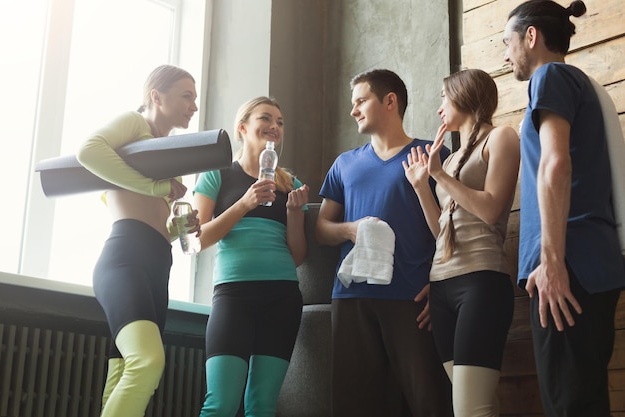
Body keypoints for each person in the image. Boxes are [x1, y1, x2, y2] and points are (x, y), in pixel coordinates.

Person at [502, 1, 625, 415]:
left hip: (566, 267)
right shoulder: (579, 84)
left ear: (531, 37)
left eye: (509, 43)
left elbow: (556, 162)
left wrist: (551, 261)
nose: (506, 54)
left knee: (570, 406)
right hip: (588, 267)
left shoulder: (550, 76)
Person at [315, 69, 453, 417]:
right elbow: (321, 229)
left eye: (360, 101)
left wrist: (443, 287)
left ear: (390, 101)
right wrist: (351, 230)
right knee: (354, 405)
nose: (353, 110)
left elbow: (453, 230)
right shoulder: (344, 164)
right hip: (351, 300)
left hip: (413, 299)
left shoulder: (433, 154)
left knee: (430, 402)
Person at [76, 64, 200, 417]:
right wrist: (154, 187)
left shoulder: (169, 153)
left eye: (195, 98)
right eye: (186, 95)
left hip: (157, 266)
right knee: (147, 362)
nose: (193, 105)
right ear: (155, 96)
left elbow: (161, 226)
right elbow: (88, 150)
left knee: (124, 372)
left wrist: (181, 226)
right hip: (125, 257)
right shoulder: (135, 123)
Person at [403, 68, 520, 416]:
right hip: (442, 287)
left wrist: (438, 175)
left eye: (444, 96)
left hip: (481, 281)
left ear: (464, 94)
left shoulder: (501, 138)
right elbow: (443, 231)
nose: (439, 107)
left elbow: (491, 209)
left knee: (471, 408)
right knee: (475, 404)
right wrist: (423, 187)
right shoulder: (451, 158)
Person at [194, 96, 309, 417]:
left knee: (261, 406)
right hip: (233, 296)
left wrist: (296, 213)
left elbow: (298, 256)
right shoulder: (217, 176)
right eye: (266, 118)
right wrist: (244, 203)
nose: (274, 126)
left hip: (282, 297)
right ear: (242, 128)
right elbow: (199, 238)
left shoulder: (290, 184)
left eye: (280, 122)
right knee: (220, 403)